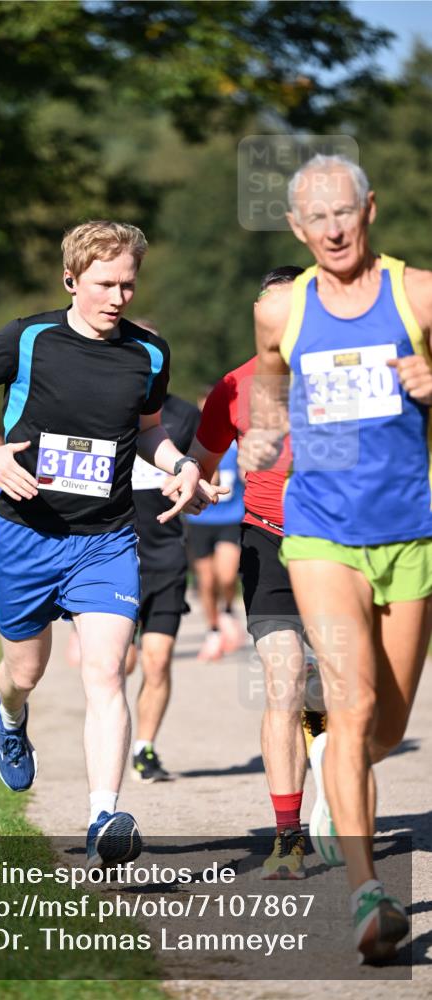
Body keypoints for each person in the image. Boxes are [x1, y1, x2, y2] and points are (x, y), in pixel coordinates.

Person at [0, 221, 225, 868]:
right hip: (26, 534)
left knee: (105, 673)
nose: (117, 297)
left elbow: (149, 431)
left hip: (106, 540)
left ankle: (104, 814)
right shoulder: (27, 338)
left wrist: (179, 464)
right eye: (103, 285)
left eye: (127, 284)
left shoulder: (148, 354)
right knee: (25, 672)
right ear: (71, 280)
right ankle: (10, 718)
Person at [240, 154, 432, 963]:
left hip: (411, 530)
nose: (330, 228)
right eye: (314, 218)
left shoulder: (417, 293)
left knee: (384, 723)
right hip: (319, 532)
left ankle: (340, 771)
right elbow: (268, 388)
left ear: (369, 210)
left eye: (342, 212)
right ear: (294, 227)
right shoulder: (282, 307)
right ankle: (368, 894)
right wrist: (262, 432)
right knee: (348, 705)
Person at [190, 266, 329, 881]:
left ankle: (326, 730)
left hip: (337, 548)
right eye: (271, 309)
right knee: (282, 681)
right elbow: (201, 460)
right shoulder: (232, 387)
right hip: (267, 542)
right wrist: (197, 483)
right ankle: (288, 834)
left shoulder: (337, 374)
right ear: (258, 312)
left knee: (336, 691)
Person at [128, 381, 200, 782]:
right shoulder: (111, 405)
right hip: (116, 554)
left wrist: (198, 491)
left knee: (157, 661)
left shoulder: (186, 415)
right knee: (121, 662)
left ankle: (145, 749)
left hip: (167, 555)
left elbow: (202, 470)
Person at [186, 421, 245, 661]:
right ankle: (213, 630)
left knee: (228, 576)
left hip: (231, 518)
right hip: (200, 522)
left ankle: (229, 611)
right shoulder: (196, 449)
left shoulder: (238, 447)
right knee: (207, 582)